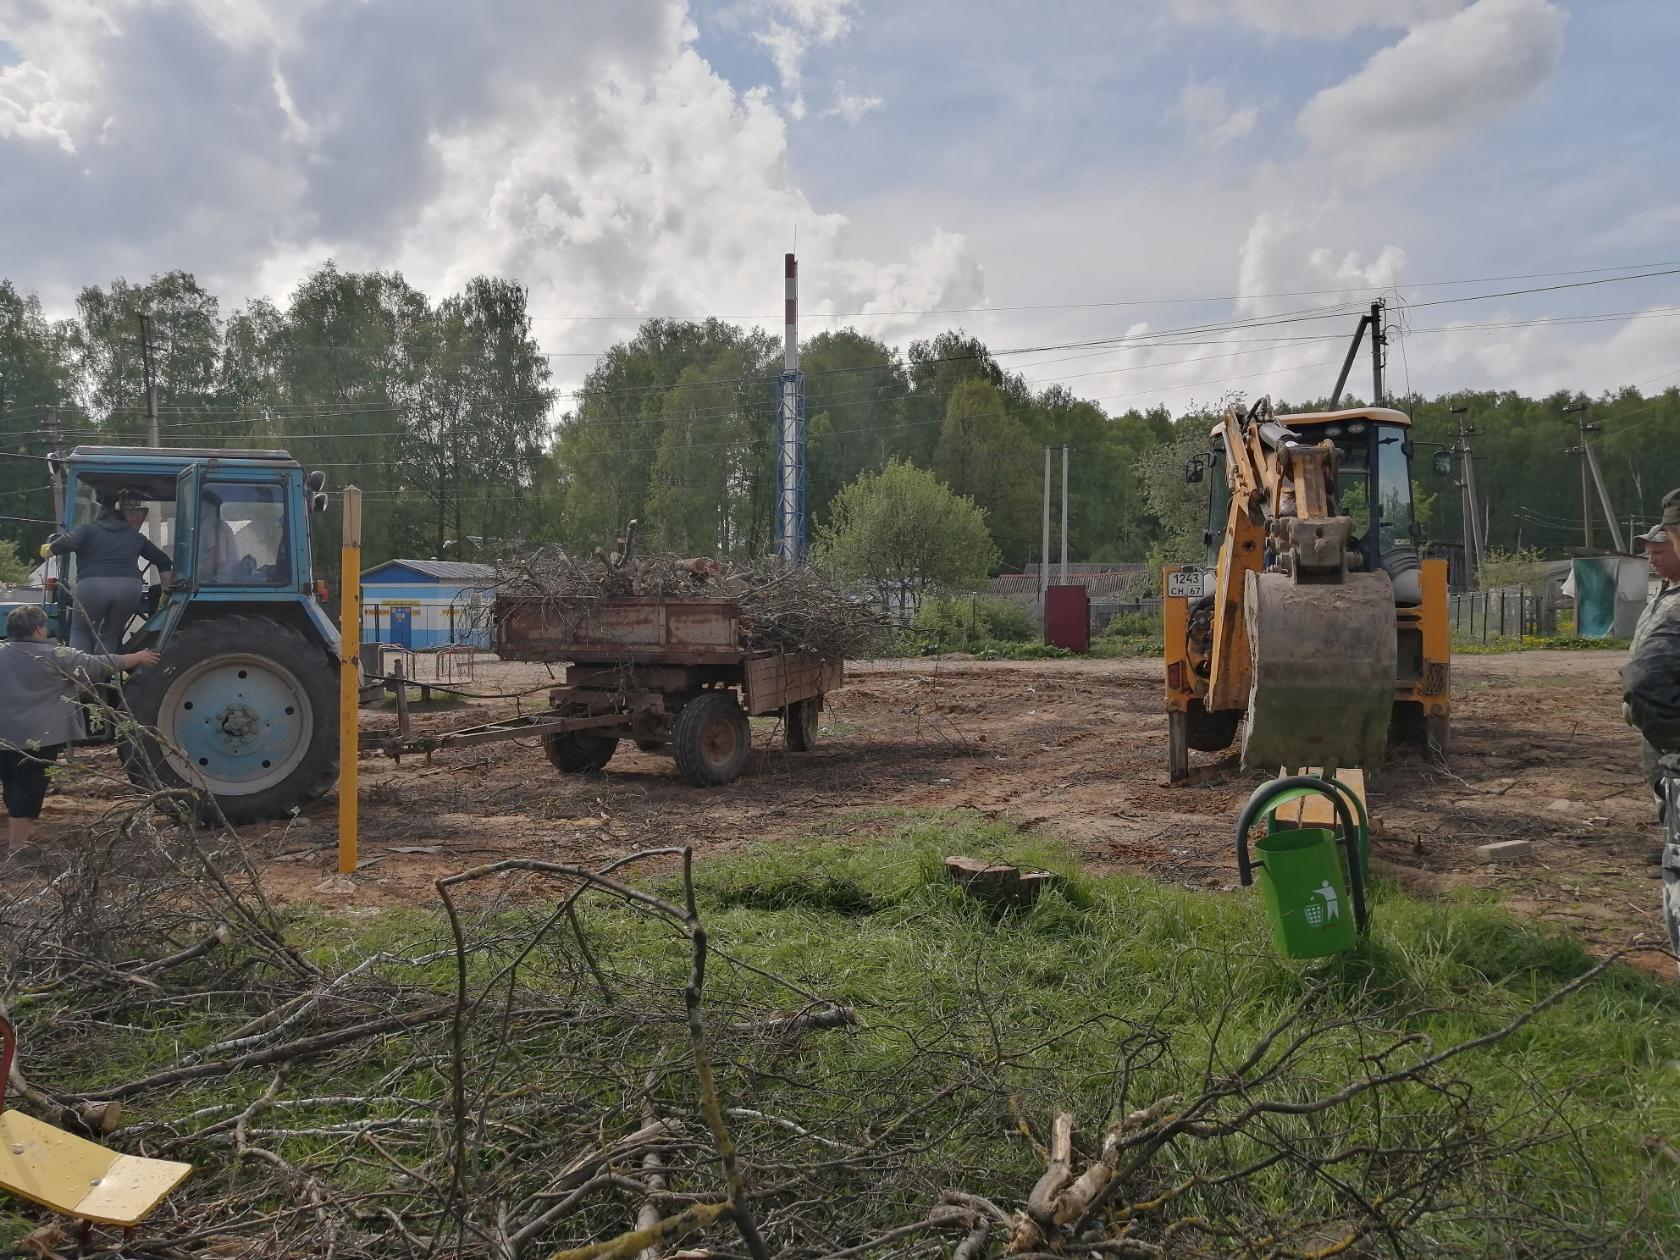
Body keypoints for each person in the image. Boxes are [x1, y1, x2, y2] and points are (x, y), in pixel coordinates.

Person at [0, 603, 159, 863]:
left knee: (12, 782)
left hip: (4, 735)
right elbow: (99, 665)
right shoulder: (57, 654)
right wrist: (138, 657)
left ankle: (23, 832)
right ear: (39, 629)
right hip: (39, 736)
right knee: (29, 787)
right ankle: (17, 848)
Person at [47, 488, 173, 653]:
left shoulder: (88, 529)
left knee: (81, 631)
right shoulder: (135, 536)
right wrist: (165, 592)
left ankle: (79, 675)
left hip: (92, 587)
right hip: (129, 590)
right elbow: (163, 560)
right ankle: (103, 675)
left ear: (101, 513)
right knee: (110, 635)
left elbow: (63, 544)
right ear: (122, 517)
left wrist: (49, 549)